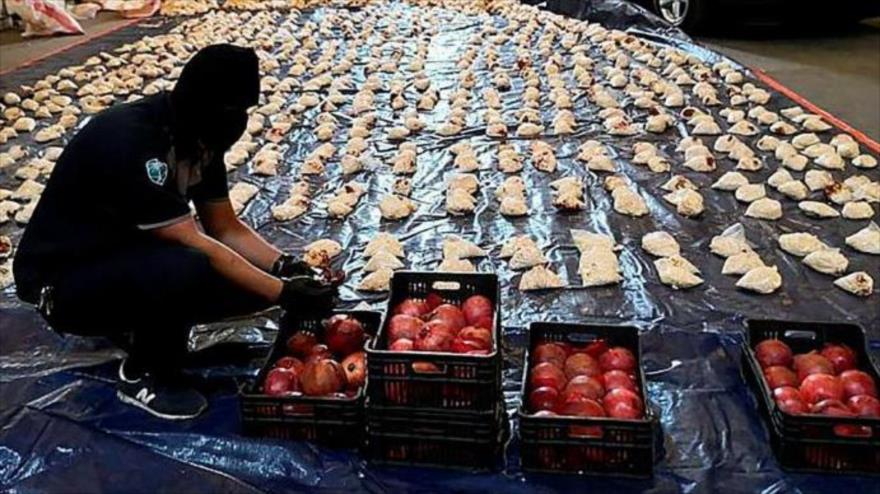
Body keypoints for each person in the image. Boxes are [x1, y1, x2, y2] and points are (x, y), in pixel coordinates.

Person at [12, 44, 338, 420]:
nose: (239, 121)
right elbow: (192, 240)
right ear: (200, 102)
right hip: (65, 281)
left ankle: (143, 323)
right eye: (232, 110)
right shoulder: (132, 139)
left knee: (246, 285)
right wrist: (284, 294)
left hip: (125, 257)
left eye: (245, 111)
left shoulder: (200, 139)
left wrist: (286, 268)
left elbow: (225, 226)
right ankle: (143, 372)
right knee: (189, 267)